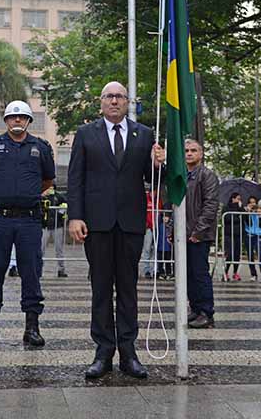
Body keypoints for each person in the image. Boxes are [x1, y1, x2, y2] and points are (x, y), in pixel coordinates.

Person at [67, 81, 165, 380]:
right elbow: (76, 179)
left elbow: (152, 178)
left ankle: (129, 352)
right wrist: (75, 217)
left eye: (119, 96)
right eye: (109, 96)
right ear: (101, 102)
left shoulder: (144, 134)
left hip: (131, 223)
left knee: (128, 289)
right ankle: (103, 351)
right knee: (100, 289)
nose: (114, 101)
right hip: (96, 224)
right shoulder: (86, 134)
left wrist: (159, 163)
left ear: (127, 102)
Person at [0, 100, 55, 349]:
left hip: (29, 220)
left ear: (29, 121)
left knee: (31, 272)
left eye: (22, 117)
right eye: (12, 117)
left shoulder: (41, 148)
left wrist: (25, 195)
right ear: (6, 121)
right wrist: (2, 194)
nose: (17, 121)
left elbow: (47, 180)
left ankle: (32, 328)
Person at [182, 139, 219, 329]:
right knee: (187, 274)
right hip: (184, 234)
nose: (189, 153)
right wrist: (173, 228)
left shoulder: (207, 176)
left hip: (199, 235)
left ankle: (206, 312)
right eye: (187, 150)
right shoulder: (182, 176)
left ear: (201, 154)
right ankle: (195, 308)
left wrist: (198, 231)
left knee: (200, 273)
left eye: (193, 150)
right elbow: (176, 203)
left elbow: (210, 206)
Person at [40, 184, 68, 278]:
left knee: (59, 249)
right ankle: (39, 269)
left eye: (51, 187)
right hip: (45, 226)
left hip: (57, 226)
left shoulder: (59, 196)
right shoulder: (42, 196)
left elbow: (65, 205)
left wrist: (60, 216)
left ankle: (61, 270)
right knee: (41, 249)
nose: (50, 189)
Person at [245, 197, 261, 283]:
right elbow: (248, 223)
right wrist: (248, 213)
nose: (252, 204)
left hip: (258, 236)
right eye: (250, 202)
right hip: (249, 235)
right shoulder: (246, 213)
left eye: (254, 202)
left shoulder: (260, 212)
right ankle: (253, 274)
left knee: (260, 255)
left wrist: (259, 216)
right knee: (250, 256)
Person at [222, 192, 244, 281]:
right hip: (229, 234)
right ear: (233, 198)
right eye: (238, 199)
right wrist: (237, 216)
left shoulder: (239, 208)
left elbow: (244, 217)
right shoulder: (226, 208)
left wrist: (241, 208)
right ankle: (226, 272)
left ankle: (235, 273)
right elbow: (227, 218)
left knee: (237, 254)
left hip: (238, 234)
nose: (239, 201)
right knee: (230, 254)